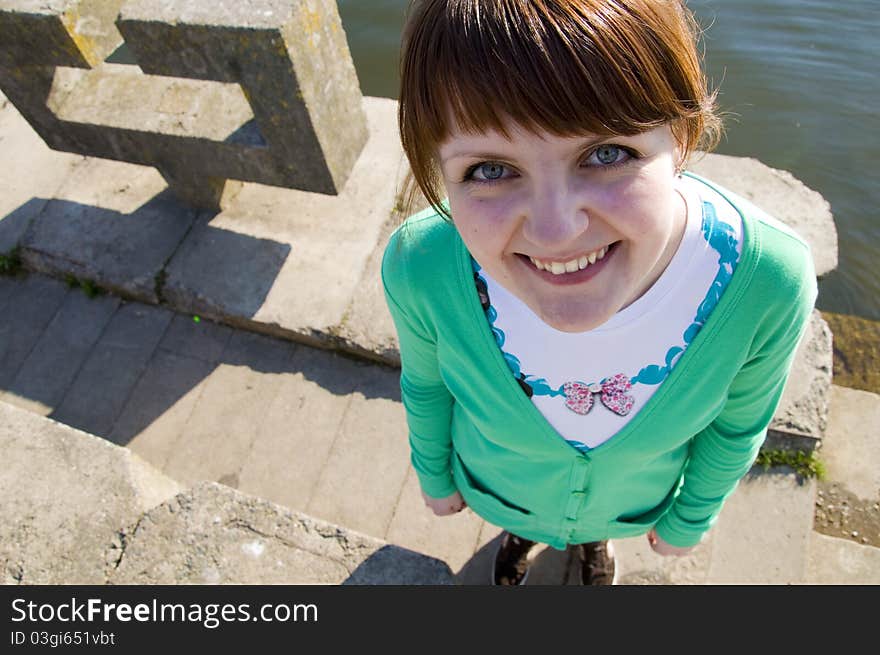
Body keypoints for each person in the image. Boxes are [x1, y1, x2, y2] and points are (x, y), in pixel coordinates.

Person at [381, 0, 817, 585]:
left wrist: (692, 517)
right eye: (488, 169)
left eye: (607, 153)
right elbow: (427, 385)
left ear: (683, 139)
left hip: (632, 503)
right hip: (499, 488)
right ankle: (521, 530)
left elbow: (736, 426)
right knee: (524, 520)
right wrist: (433, 474)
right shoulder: (422, 266)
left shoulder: (765, 282)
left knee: (592, 528)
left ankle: (594, 542)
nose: (556, 231)